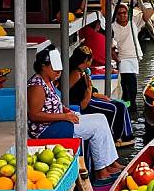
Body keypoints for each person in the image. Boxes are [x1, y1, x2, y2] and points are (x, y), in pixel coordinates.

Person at [27, 46, 123, 180]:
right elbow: (34, 115)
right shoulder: (37, 85)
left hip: (57, 121)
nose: (58, 72)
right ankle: (101, 171)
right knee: (96, 127)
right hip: (46, 129)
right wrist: (65, 116)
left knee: (101, 118)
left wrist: (65, 110)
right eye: (54, 68)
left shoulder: (48, 81)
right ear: (44, 67)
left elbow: (50, 105)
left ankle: (110, 163)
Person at [69, 45, 134, 147]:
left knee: (120, 105)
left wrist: (97, 94)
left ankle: (126, 136)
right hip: (84, 102)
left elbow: (89, 89)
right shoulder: (75, 74)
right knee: (114, 108)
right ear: (86, 60)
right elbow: (75, 95)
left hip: (89, 97)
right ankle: (113, 139)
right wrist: (90, 90)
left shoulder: (82, 72)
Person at [112, 2, 154, 112]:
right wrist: (117, 60)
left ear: (128, 13)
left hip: (134, 57)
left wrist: (140, 3)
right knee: (129, 83)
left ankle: (130, 103)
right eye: (119, 13)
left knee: (129, 83)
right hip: (122, 57)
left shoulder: (133, 22)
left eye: (124, 13)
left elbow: (150, 11)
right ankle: (131, 104)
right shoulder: (112, 27)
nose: (122, 15)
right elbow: (110, 47)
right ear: (116, 14)